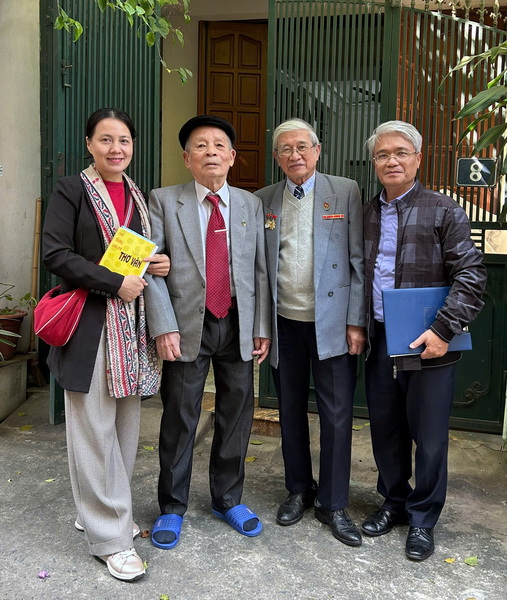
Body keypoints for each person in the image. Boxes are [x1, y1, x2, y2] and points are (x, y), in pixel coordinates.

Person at [42, 108, 169, 581]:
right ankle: (111, 539)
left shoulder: (137, 195)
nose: (117, 149)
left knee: (124, 427)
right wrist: (114, 283)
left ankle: (99, 510)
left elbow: (133, 255)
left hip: (130, 329)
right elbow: (55, 253)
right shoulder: (71, 190)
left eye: (124, 140)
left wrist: (155, 263)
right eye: (106, 140)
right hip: (90, 325)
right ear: (89, 144)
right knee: (94, 430)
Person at [362, 120, 487, 560]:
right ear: (374, 163)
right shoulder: (367, 212)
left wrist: (443, 329)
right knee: (386, 430)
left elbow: (472, 276)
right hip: (380, 339)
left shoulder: (443, 210)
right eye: (382, 154)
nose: (391, 161)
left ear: (418, 158)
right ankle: (394, 502)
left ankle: (422, 518)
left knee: (430, 438)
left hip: (431, 343)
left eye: (400, 152)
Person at [144, 115, 271, 549]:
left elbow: (259, 270)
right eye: (200, 146)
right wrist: (163, 326)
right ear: (187, 158)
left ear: (232, 157)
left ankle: (227, 499)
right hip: (185, 325)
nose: (210, 152)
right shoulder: (163, 201)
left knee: (237, 413)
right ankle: (172, 505)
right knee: (180, 415)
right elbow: (150, 267)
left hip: (236, 321)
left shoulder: (250, 204)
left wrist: (260, 326)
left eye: (219, 146)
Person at [255, 118, 366, 546]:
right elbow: (259, 270)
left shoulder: (345, 190)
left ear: (318, 151)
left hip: (332, 323)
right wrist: (261, 326)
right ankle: (299, 489)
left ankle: (333, 503)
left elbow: (357, 260)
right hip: (285, 323)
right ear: (276, 157)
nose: (295, 155)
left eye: (302, 146)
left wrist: (355, 320)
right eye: (285, 148)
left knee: (337, 415)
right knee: (289, 409)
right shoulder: (264, 199)